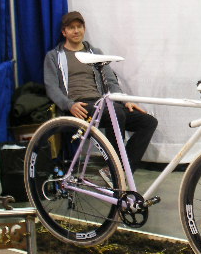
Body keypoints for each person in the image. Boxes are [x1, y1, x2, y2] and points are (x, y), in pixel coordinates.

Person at [43, 11, 158, 173]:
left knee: (148, 122)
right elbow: (51, 88)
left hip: (103, 104)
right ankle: (115, 168)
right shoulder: (54, 56)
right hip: (80, 107)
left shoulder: (95, 53)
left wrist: (125, 100)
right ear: (64, 32)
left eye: (79, 27)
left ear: (84, 29)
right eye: (71, 28)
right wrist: (70, 105)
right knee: (116, 112)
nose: (76, 31)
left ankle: (123, 169)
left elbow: (111, 81)